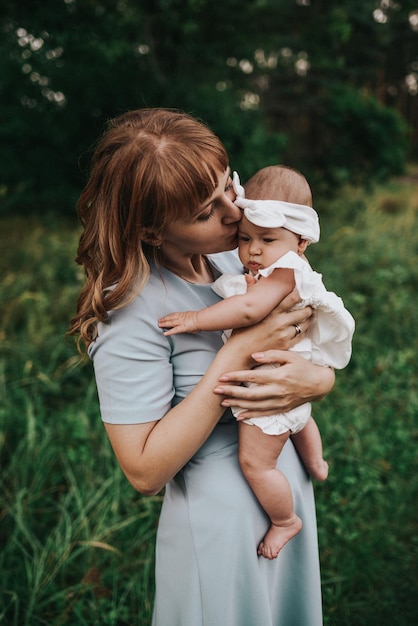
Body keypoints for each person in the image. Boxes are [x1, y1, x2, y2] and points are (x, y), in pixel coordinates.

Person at [69, 108, 335, 626]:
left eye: (226, 188)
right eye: (203, 212)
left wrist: (319, 381)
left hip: (284, 489)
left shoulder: (241, 258)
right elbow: (143, 471)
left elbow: (303, 347)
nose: (234, 215)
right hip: (220, 521)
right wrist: (235, 354)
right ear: (150, 230)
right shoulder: (132, 311)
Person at [159, 165, 355, 560]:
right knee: (301, 417)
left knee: (255, 463)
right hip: (290, 387)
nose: (253, 250)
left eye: (267, 239)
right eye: (246, 238)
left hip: (270, 384)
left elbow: (249, 311)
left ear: (302, 242)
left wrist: (196, 319)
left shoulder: (284, 273)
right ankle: (315, 460)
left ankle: (285, 520)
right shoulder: (266, 266)